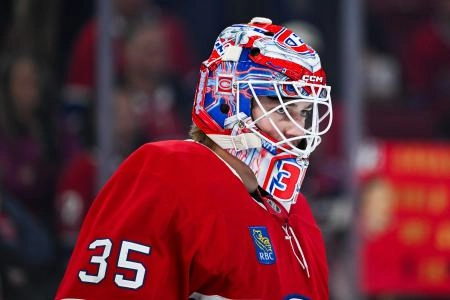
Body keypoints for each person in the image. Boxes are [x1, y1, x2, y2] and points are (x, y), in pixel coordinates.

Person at [55, 17, 333, 299]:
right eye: (283, 110)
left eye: (305, 113)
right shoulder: (165, 175)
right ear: (229, 102)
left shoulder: (298, 212)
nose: (298, 130)